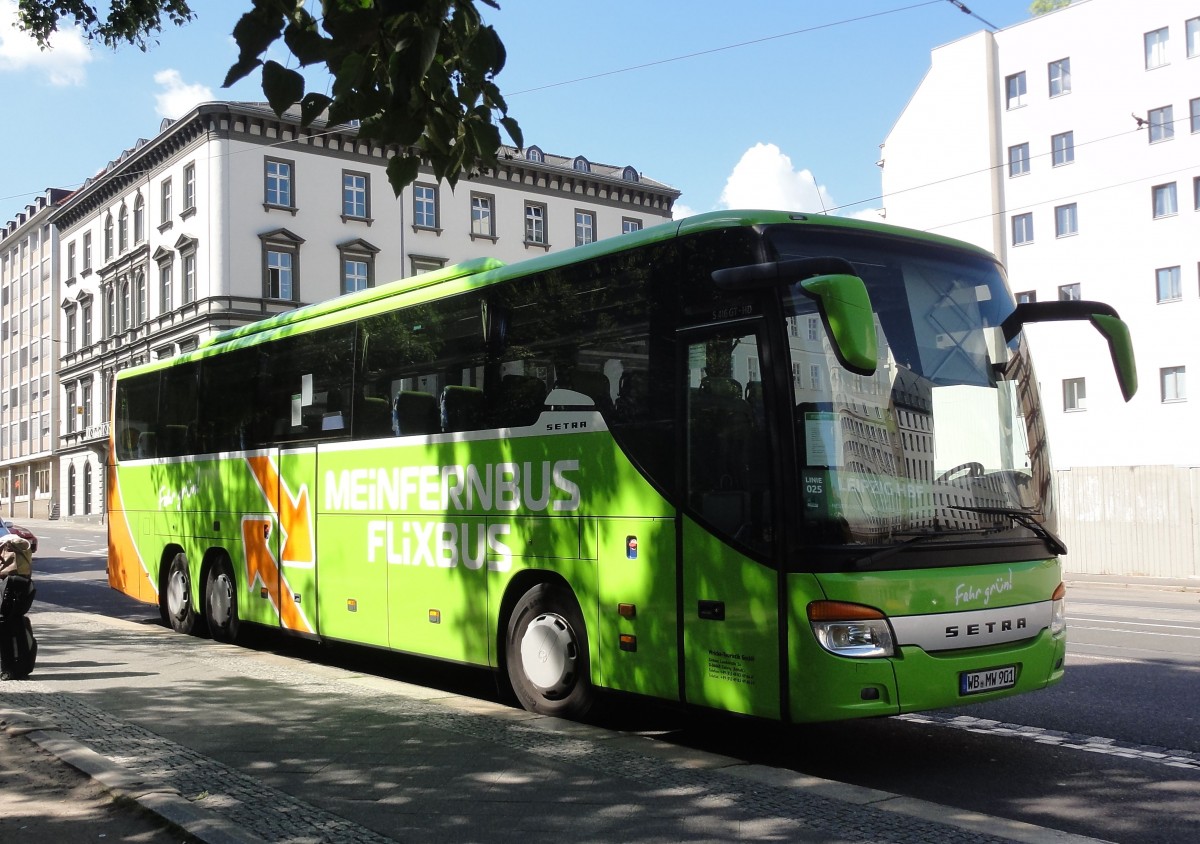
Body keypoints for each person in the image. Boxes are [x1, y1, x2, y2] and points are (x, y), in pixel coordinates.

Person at [0, 532, 34, 680]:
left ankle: (8, 667)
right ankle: (15, 666)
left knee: (4, 625)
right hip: (20, 588)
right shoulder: (23, 576)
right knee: (14, 623)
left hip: (9, 588)